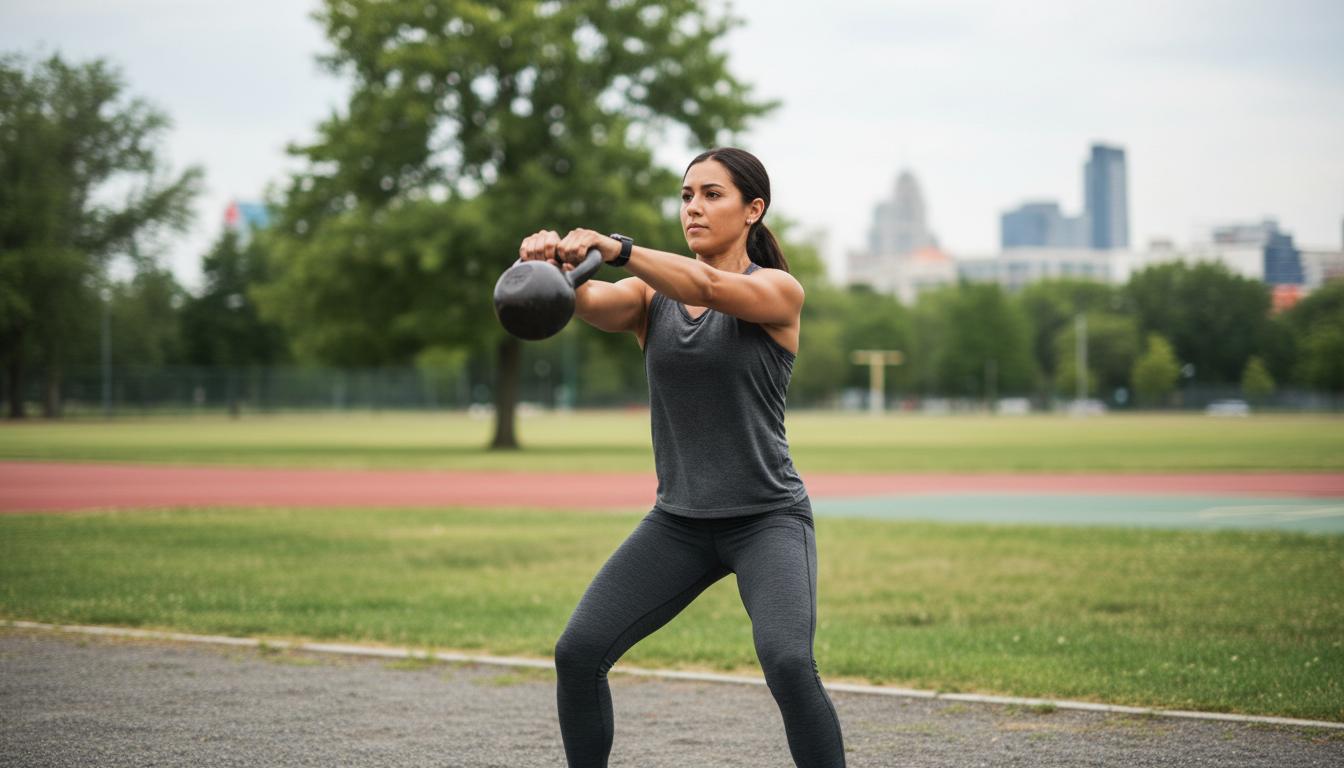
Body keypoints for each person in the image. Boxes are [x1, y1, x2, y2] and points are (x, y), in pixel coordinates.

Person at [517, 147, 846, 767]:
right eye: (687, 195)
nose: (693, 207)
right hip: (680, 523)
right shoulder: (648, 297)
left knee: (788, 661)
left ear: (754, 209)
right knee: (578, 652)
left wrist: (616, 247)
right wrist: (553, 270)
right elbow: (587, 305)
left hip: (767, 518)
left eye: (712, 195)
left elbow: (710, 285)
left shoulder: (778, 291)